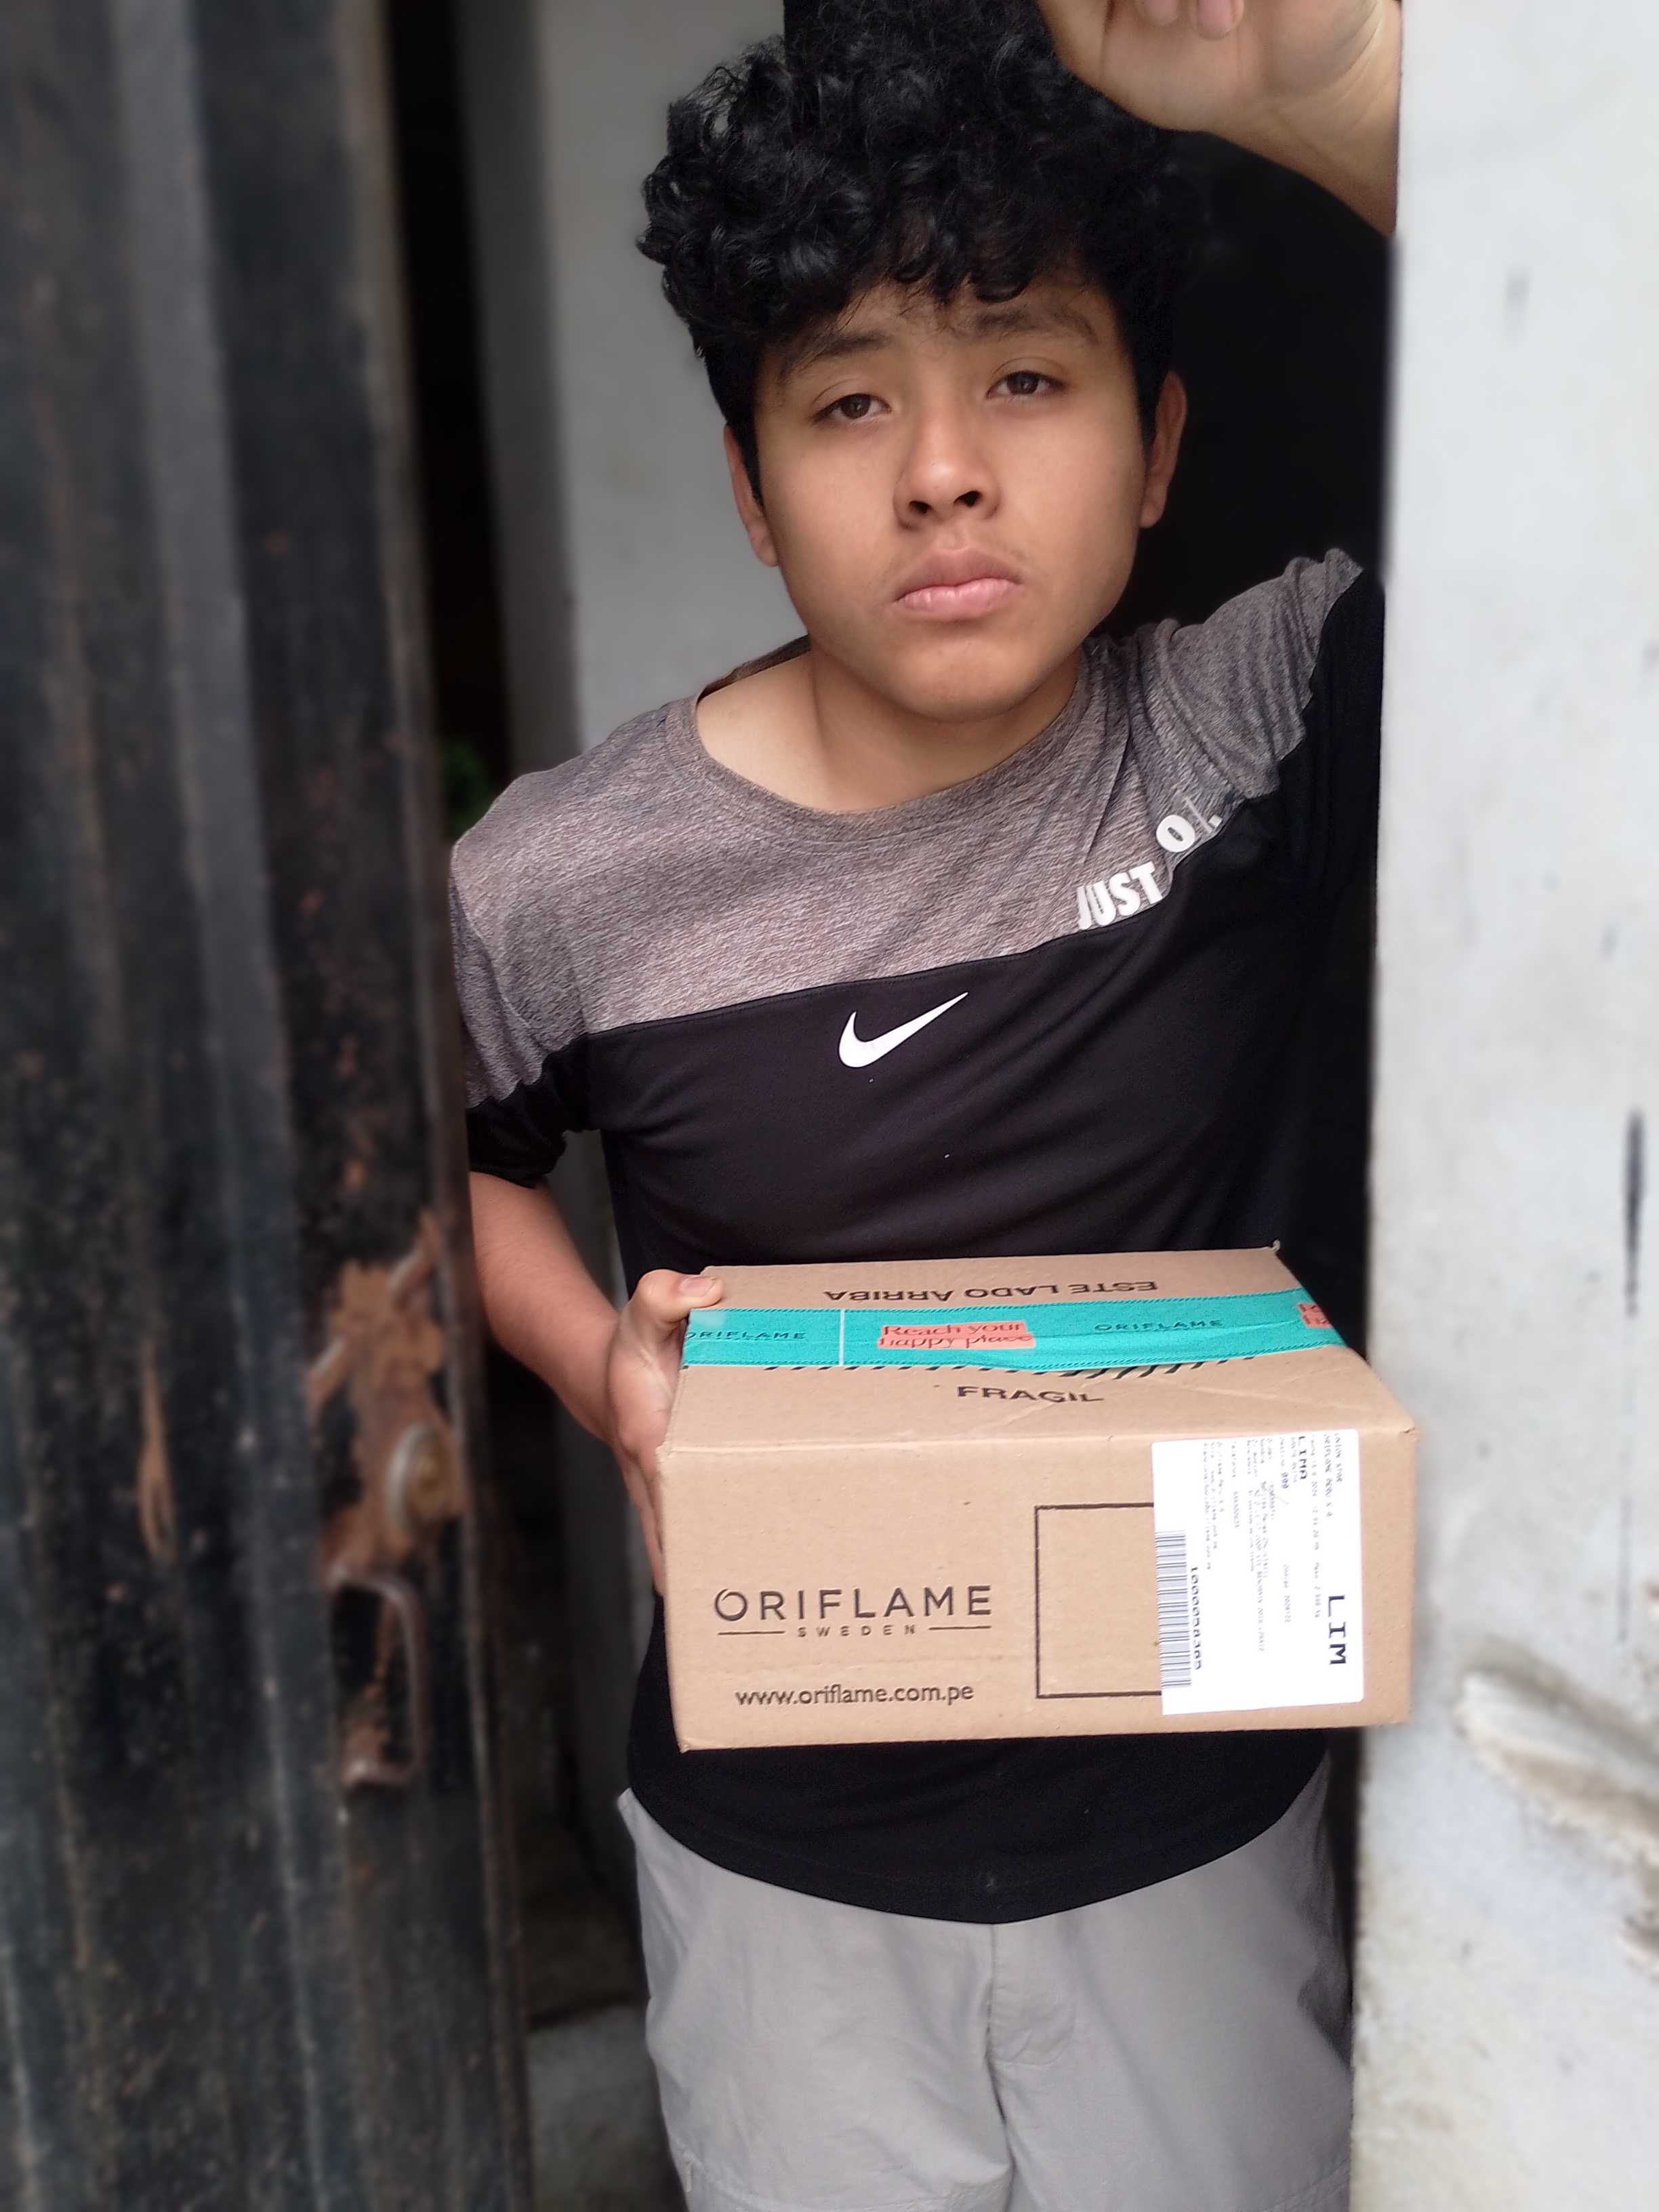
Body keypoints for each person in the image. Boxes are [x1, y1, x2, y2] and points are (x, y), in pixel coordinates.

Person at [452, 1, 1399, 2205]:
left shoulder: (1254, 727)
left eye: (1028, 379)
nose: (944, 471)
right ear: (751, 487)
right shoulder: (562, 879)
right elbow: (441, 1172)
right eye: (850, 399)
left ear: (1158, 447)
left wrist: (1327, 94)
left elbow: (1605, 425)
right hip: (780, 1863)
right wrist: (601, 1371)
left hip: (1199, 1827)